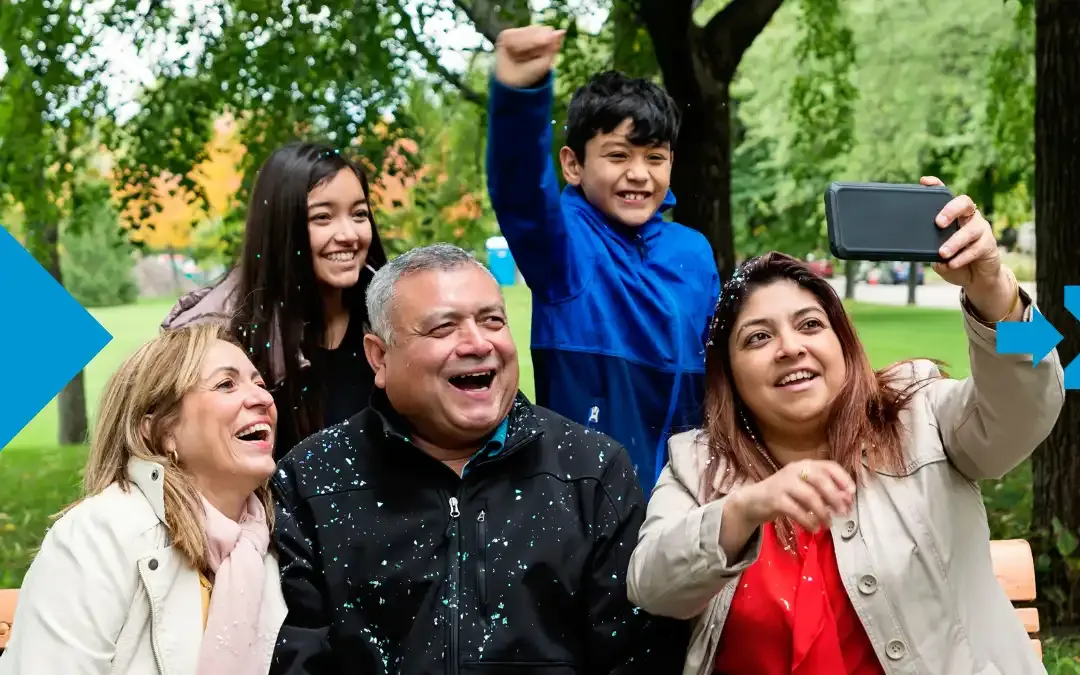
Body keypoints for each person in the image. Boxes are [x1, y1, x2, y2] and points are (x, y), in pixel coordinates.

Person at [626, 180, 1065, 675]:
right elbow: (651, 585)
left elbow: (1030, 409)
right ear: (729, 376)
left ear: (844, 344)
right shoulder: (696, 463)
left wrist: (996, 292)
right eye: (758, 337)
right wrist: (746, 507)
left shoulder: (920, 414)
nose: (790, 347)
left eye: (811, 325)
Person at [268, 243, 687, 674]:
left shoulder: (590, 469)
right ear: (379, 357)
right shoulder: (315, 477)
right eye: (443, 328)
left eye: (492, 321)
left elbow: (640, 654)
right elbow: (296, 653)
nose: (476, 342)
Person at [487, 25, 721, 495]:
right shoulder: (565, 246)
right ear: (573, 165)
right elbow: (519, 193)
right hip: (587, 498)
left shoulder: (692, 250)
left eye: (655, 158)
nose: (638, 173)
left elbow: (726, 360)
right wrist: (519, 92)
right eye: (617, 155)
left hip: (688, 496)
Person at [0, 324, 287, 675]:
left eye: (259, 383)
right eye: (226, 384)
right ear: (161, 431)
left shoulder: (277, 542)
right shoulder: (99, 535)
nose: (263, 398)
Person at [163, 141, 388, 456]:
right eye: (322, 217)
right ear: (281, 227)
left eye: (359, 214)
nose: (349, 234)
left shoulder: (392, 315)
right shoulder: (221, 339)